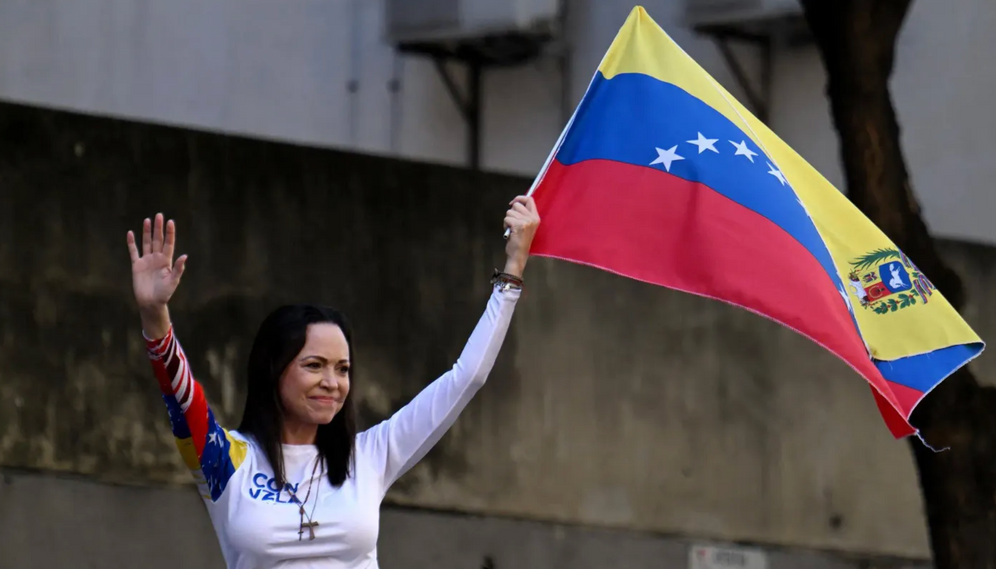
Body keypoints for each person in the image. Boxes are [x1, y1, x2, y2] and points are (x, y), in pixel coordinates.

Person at [126, 197, 541, 569]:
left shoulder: (371, 456)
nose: (332, 383)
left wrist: (514, 270)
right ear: (274, 369)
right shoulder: (229, 461)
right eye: (314, 365)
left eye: (342, 369)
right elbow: (182, 398)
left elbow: (467, 377)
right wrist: (154, 317)